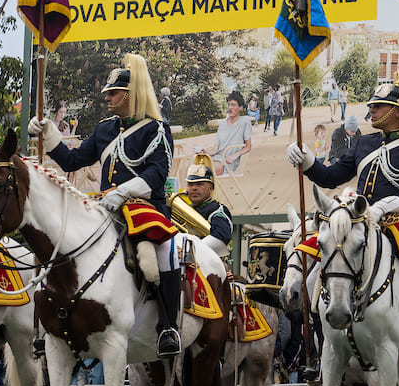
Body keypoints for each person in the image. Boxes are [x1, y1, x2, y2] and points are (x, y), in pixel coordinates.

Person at [286, 71, 399, 373]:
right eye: (371, 106)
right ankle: (320, 350)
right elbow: (332, 176)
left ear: (396, 110)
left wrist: (382, 208)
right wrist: (307, 162)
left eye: (378, 106)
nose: (371, 111)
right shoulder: (364, 143)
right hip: (359, 221)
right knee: (317, 272)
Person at [30, 54, 182, 357]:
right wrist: (49, 134)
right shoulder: (104, 129)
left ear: (130, 95)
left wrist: (124, 192)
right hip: (106, 207)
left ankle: (167, 327)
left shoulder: (156, 128)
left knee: (160, 256)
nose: (108, 99)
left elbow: (157, 173)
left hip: (145, 207)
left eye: (113, 93)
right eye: (107, 94)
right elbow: (73, 160)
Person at [181, 153, 234, 260]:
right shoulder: (183, 209)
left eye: (199, 184)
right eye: (190, 184)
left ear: (211, 188)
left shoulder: (218, 210)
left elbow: (220, 237)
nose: (194, 188)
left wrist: (189, 253)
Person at [199, 91, 253, 175]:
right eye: (229, 104)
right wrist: (205, 152)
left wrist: (236, 155)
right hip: (215, 158)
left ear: (240, 107)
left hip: (228, 162)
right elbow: (215, 149)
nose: (230, 108)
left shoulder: (244, 122)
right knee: (192, 166)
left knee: (203, 171)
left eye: (233, 105)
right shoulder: (222, 124)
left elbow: (248, 147)